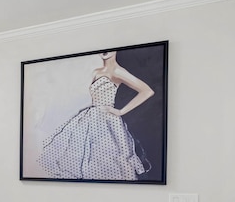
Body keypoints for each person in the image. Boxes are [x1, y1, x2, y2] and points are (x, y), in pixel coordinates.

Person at [37, 51, 154, 180]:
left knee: (117, 159)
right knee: (85, 158)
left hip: (108, 123)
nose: (105, 52)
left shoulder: (118, 71)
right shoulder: (96, 72)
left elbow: (147, 91)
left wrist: (120, 111)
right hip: (89, 119)